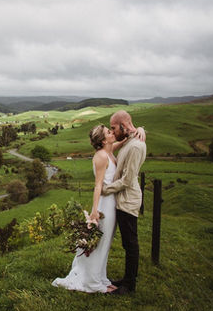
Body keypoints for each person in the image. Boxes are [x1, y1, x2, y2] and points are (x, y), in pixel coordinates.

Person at [52, 124, 145, 293]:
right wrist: (94, 212)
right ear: (103, 140)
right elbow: (97, 186)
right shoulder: (101, 156)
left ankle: (100, 276)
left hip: (112, 202)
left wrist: (140, 129)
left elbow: (125, 139)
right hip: (105, 205)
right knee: (101, 243)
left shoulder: (109, 150)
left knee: (106, 242)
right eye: (109, 132)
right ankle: (92, 282)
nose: (112, 133)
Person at [102, 110, 147, 295]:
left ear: (123, 125)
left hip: (128, 200)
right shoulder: (130, 140)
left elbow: (127, 180)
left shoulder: (136, 146)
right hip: (122, 199)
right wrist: (142, 129)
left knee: (130, 243)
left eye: (114, 127)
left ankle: (129, 286)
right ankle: (126, 279)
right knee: (127, 244)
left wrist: (106, 189)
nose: (113, 131)